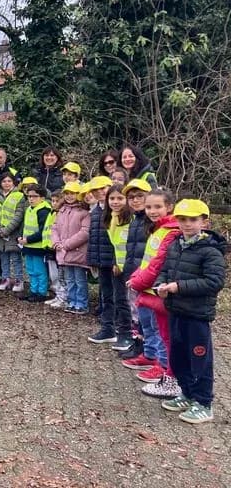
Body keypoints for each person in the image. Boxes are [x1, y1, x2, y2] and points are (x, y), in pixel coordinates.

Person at [157, 199, 226, 424]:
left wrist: (179, 287)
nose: (187, 224)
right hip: (176, 310)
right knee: (178, 356)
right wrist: (161, 284)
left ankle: (203, 401)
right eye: (182, 219)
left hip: (197, 314)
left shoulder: (210, 251)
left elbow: (214, 282)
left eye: (192, 220)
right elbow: (166, 269)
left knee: (199, 359)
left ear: (204, 222)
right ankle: (186, 393)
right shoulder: (176, 244)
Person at [126, 189, 180, 398]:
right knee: (149, 327)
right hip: (147, 289)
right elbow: (147, 260)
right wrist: (137, 276)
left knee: (163, 333)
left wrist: (138, 282)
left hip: (157, 290)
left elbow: (158, 264)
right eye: (149, 207)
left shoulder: (170, 231)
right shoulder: (158, 229)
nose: (152, 211)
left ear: (169, 207)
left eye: (157, 206)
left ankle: (165, 368)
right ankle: (152, 358)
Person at [117, 178, 153, 360]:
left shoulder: (151, 223)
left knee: (145, 316)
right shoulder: (135, 221)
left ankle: (148, 350)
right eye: (131, 197)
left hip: (146, 277)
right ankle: (137, 343)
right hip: (132, 273)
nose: (135, 200)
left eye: (140, 196)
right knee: (134, 312)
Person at [102, 184, 134, 350]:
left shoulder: (131, 219)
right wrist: (116, 263)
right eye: (112, 198)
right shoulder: (111, 218)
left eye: (120, 198)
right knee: (119, 299)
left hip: (131, 267)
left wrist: (123, 265)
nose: (115, 202)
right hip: (119, 266)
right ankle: (123, 333)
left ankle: (129, 335)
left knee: (129, 302)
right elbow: (116, 245)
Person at [51, 181, 90, 311]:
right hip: (64, 252)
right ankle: (72, 301)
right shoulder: (62, 210)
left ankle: (81, 303)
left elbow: (85, 232)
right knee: (69, 279)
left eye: (72, 193)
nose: (69, 196)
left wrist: (66, 245)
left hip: (77, 251)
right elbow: (55, 228)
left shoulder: (84, 212)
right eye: (67, 193)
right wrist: (56, 242)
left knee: (79, 280)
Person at [86, 176, 115, 332]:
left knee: (117, 295)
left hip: (113, 260)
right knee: (106, 293)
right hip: (100, 259)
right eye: (96, 190)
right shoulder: (96, 210)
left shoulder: (116, 210)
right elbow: (93, 237)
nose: (100, 192)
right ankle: (107, 325)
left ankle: (117, 324)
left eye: (103, 188)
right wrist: (92, 259)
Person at [17, 184, 52, 302]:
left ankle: (41, 292)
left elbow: (43, 231)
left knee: (39, 271)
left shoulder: (44, 210)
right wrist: (21, 237)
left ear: (42, 197)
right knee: (31, 270)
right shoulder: (29, 209)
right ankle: (33, 290)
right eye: (29, 196)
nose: (31, 199)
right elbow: (25, 226)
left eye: (34, 196)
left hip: (38, 247)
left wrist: (28, 239)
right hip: (28, 246)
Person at [0, 173, 26, 293]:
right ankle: (5, 278)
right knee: (3, 257)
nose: (6, 184)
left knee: (15, 257)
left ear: (13, 183)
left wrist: (7, 230)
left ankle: (18, 280)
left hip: (13, 232)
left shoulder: (19, 196)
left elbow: (18, 215)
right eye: (4, 181)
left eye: (9, 181)